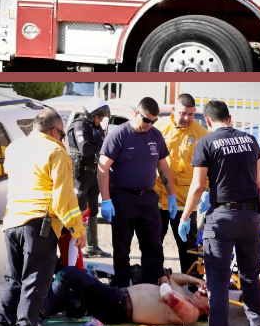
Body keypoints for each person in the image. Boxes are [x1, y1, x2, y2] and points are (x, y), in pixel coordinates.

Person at [0, 108, 86, 326]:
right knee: (33, 286)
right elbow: (64, 198)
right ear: (55, 131)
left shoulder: (15, 148)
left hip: (12, 222)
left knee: (13, 282)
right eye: (62, 134)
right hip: (39, 226)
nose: (63, 139)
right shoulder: (55, 151)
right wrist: (77, 229)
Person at [178, 99, 260, 326]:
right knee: (251, 277)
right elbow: (259, 185)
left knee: (217, 283)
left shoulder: (206, 142)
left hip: (222, 218)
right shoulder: (250, 141)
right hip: (251, 217)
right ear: (229, 118)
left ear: (207, 121)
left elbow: (196, 187)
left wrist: (185, 217)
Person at [97, 96, 175, 288]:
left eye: (154, 121)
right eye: (146, 120)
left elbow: (163, 166)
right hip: (123, 197)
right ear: (136, 114)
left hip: (148, 198)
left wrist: (171, 194)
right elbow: (103, 167)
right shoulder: (119, 135)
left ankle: (153, 284)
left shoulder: (155, 135)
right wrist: (106, 200)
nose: (149, 124)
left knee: (153, 245)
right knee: (122, 245)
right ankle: (122, 287)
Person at [43, 266, 209, 326]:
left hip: (120, 304)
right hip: (118, 302)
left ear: (209, 309)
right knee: (71, 300)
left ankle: (38, 312)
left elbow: (166, 295)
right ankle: (27, 307)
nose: (205, 289)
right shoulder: (186, 297)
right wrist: (195, 279)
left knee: (69, 274)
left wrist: (165, 280)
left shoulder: (192, 313)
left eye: (209, 294)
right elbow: (173, 278)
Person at [155, 93, 209, 273]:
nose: (187, 118)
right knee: (154, 244)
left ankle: (194, 286)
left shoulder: (201, 134)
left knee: (188, 247)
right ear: (173, 110)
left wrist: (206, 190)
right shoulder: (159, 127)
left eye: (191, 114)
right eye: (182, 113)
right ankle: (153, 281)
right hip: (157, 198)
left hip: (185, 202)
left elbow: (207, 167)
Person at [68, 100, 110, 257]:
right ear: (93, 115)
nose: (100, 121)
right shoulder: (80, 125)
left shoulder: (96, 127)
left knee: (92, 209)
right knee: (78, 208)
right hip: (81, 174)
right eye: (100, 117)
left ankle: (92, 245)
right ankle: (75, 245)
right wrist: (101, 142)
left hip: (93, 173)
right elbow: (84, 148)